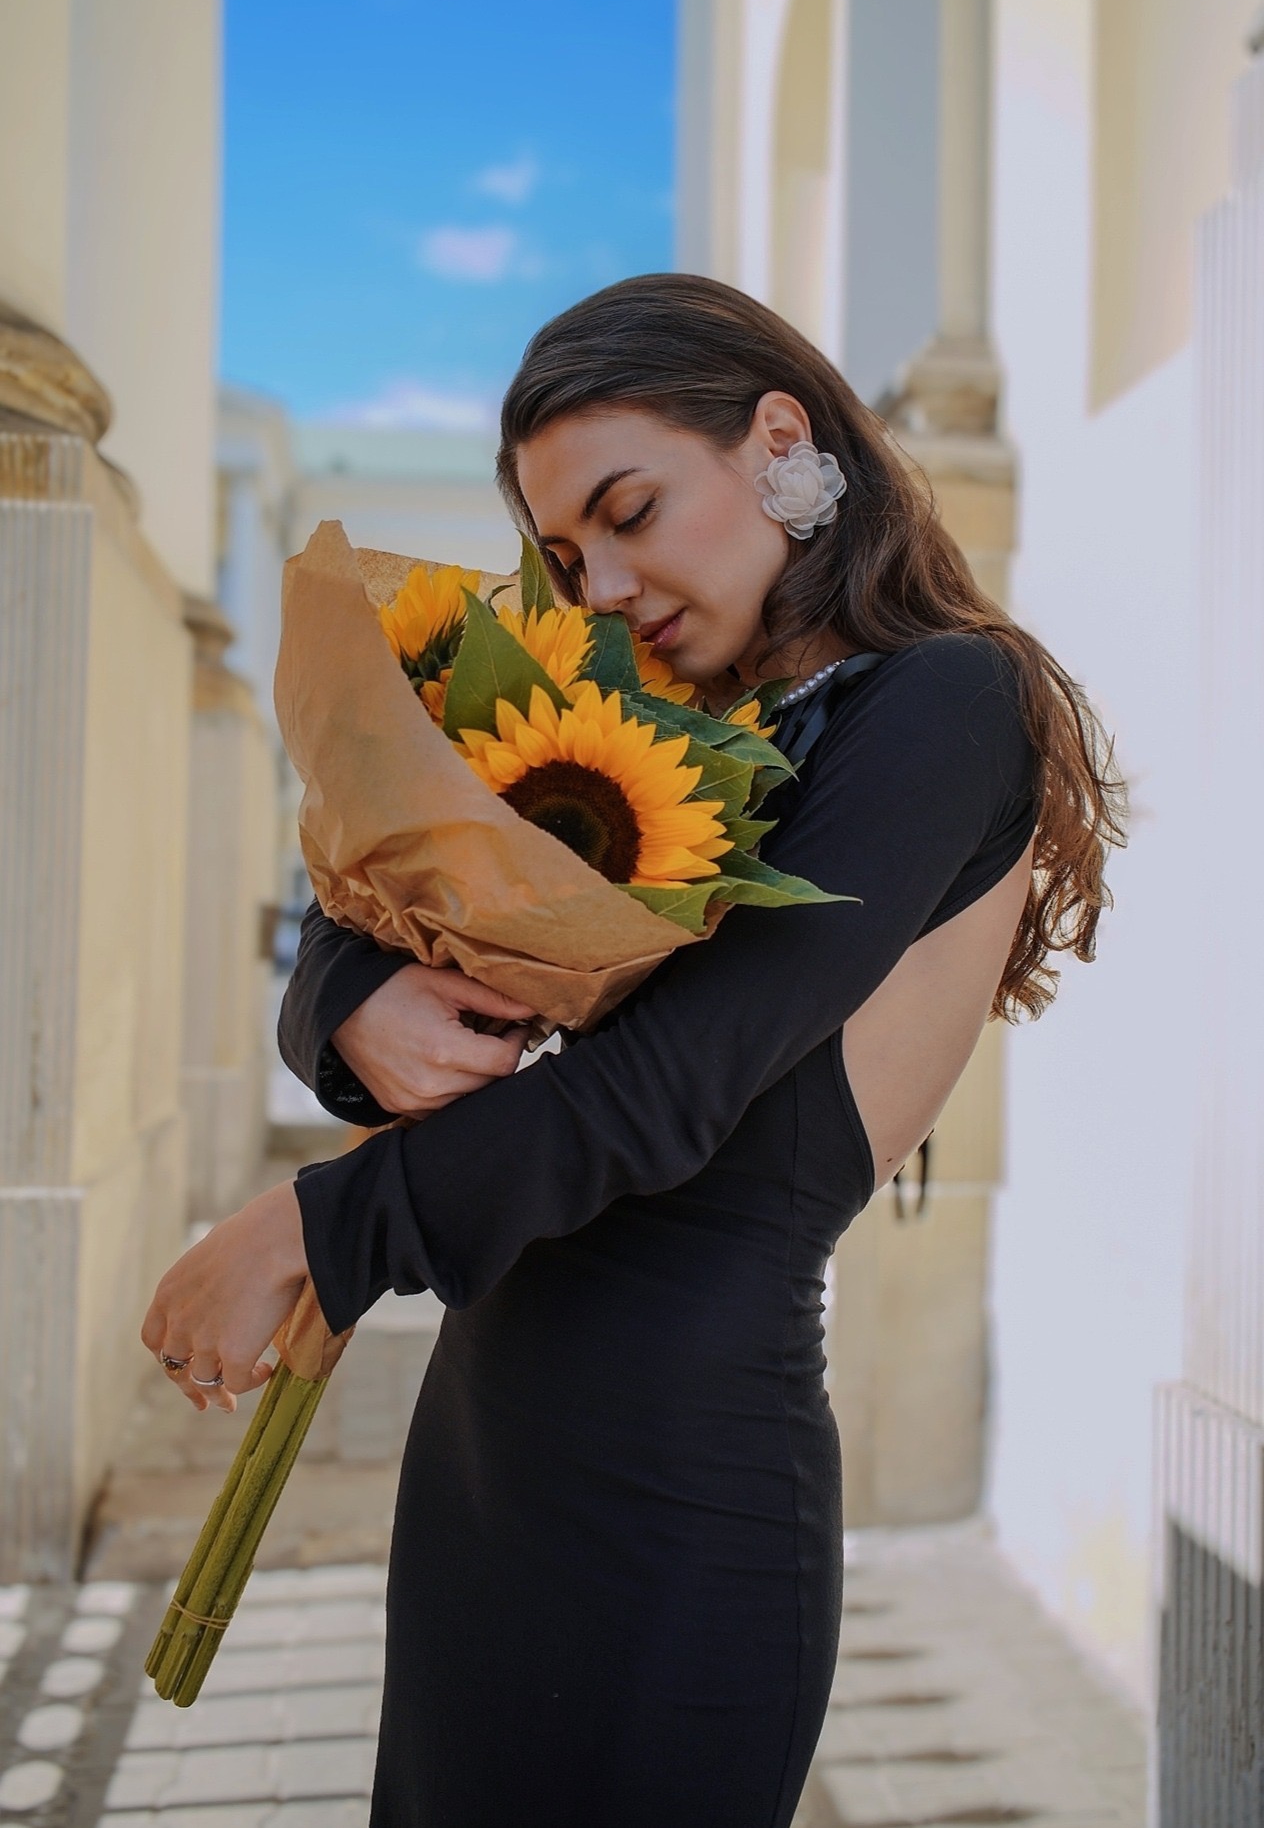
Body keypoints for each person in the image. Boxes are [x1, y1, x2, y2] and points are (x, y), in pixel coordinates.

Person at [141, 274, 1125, 1827]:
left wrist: (324, 1227)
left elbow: (671, 1092)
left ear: (781, 441)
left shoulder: (947, 704)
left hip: (681, 1483)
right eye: (564, 555)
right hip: (484, 1452)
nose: (598, 585)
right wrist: (348, 1003)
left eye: (629, 511)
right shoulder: (636, 714)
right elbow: (369, 890)